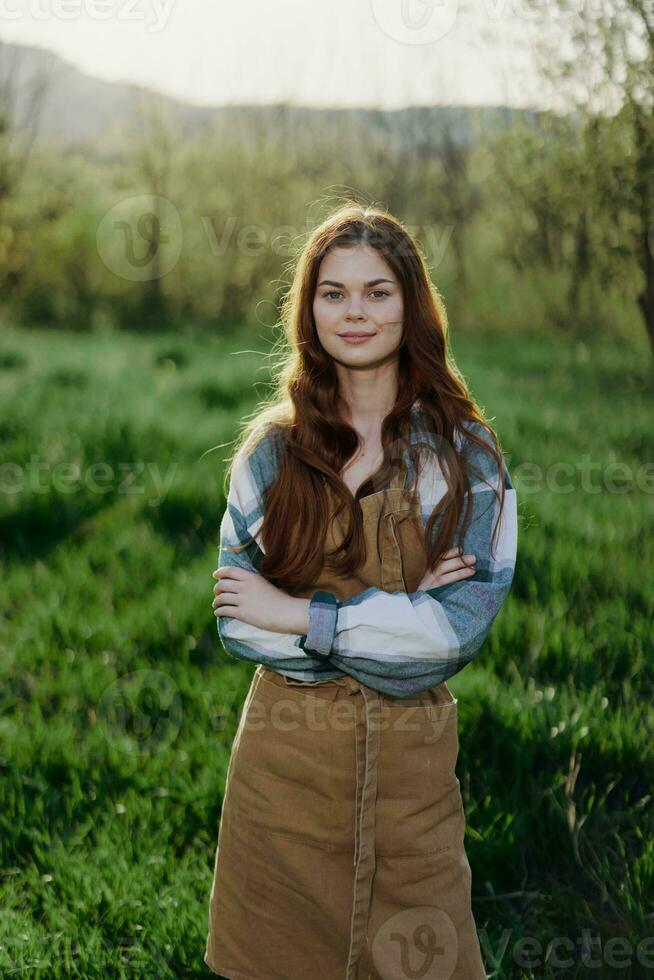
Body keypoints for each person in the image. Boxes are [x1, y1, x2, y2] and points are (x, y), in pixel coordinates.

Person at [204, 202, 518, 980]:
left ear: (411, 302)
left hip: (413, 788)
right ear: (307, 309)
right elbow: (243, 626)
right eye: (333, 292)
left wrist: (301, 612)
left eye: (377, 291)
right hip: (283, 780)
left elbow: (454, 640)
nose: (355, 312)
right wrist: (398, 617)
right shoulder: (271, 454)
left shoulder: (466, 457)